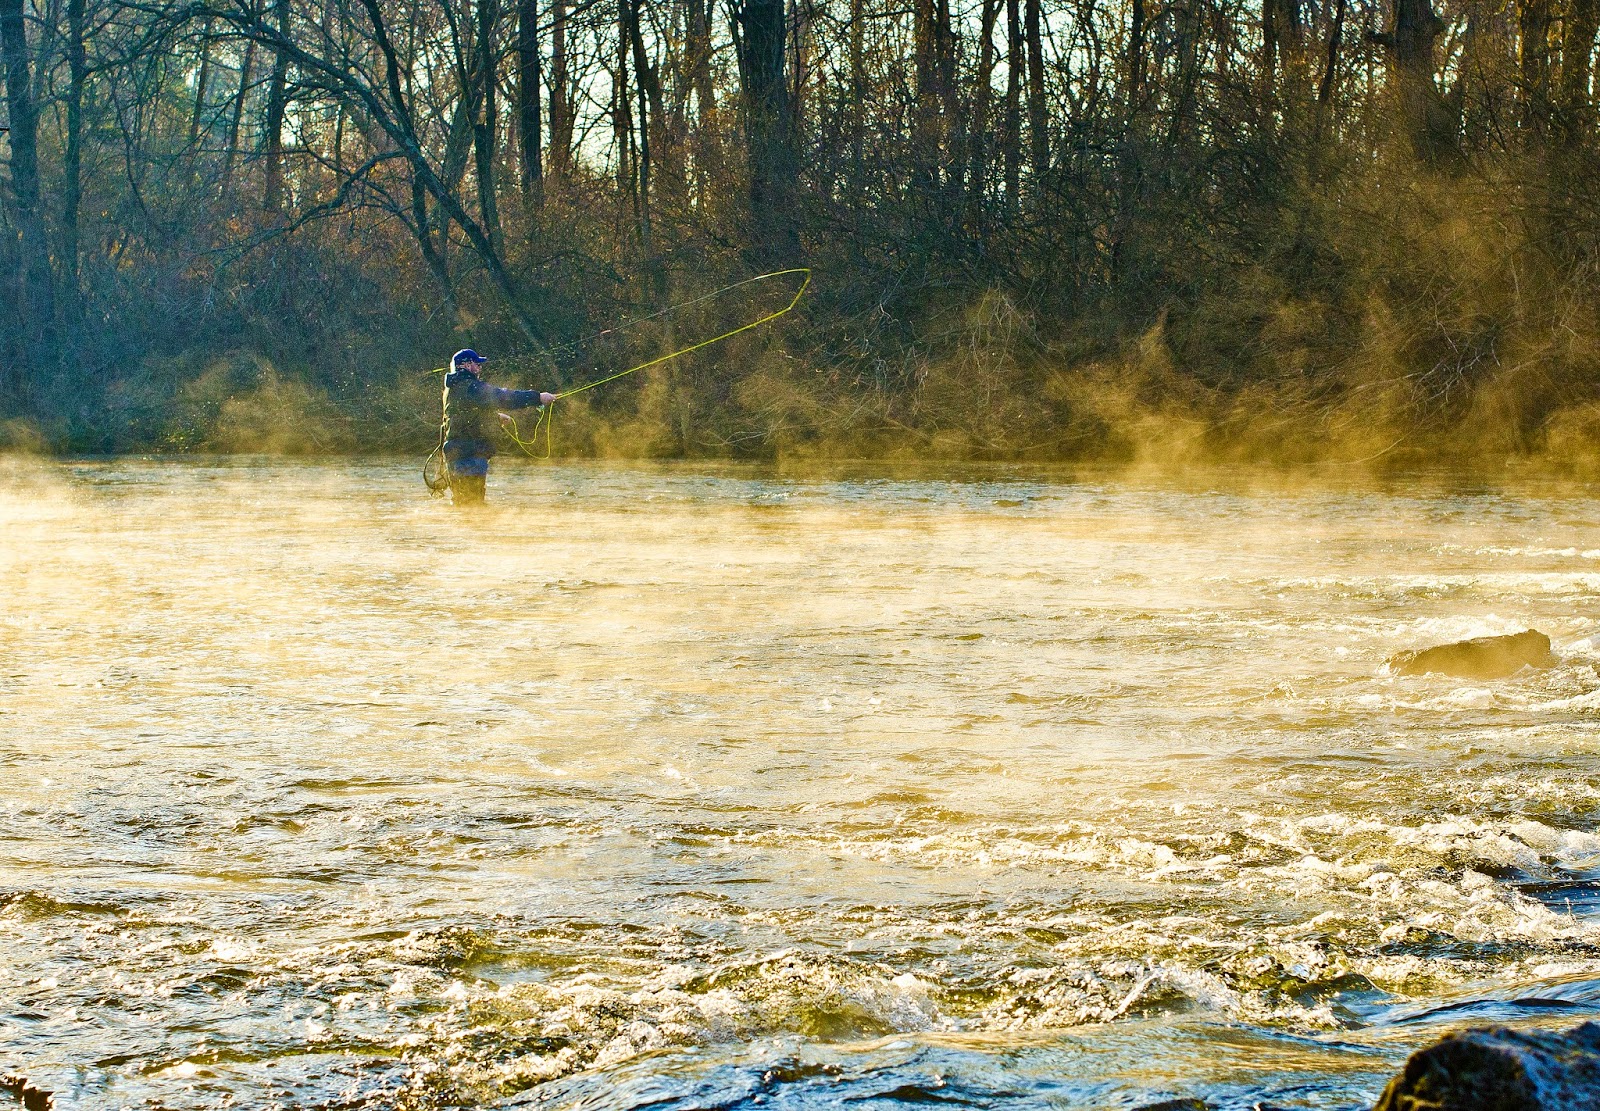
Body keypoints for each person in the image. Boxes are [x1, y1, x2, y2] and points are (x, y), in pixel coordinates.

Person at [441, 349, 556, 504]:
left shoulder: (455, 387)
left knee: (464, 505)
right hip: (468, 455)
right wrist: (538, 397)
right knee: (472, 507)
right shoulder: (471, 387)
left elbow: (461, 414)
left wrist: (494, 417)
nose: (480, 368)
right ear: (467, 365)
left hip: (459, 453)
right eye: (477, 364)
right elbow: (503, 397)